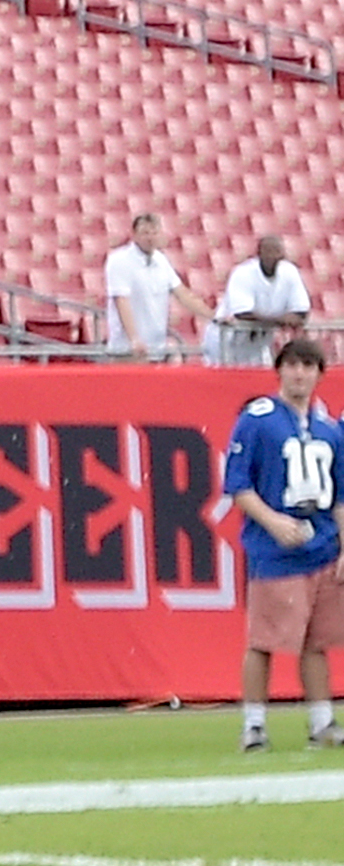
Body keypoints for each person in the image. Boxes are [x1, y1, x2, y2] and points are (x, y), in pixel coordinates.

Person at [220, 335, 344, 753]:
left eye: (309, 367)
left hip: (322, 546)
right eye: (292, 365)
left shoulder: (330, 428)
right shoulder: (258, 418)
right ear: (279, 370)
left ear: (320, 375)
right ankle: (253, 725)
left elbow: (339, 496)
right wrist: (273, 523)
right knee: (264, 640)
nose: (300, 374)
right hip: (275, 551)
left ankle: (322, 722)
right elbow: (237, 484)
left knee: (317, 641)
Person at [104, 213, 214, 363]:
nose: (150, 238)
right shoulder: (119, 260)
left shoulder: (161, 260)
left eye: (154, 233)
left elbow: (182, 294)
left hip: (157, 349)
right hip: (128, 350)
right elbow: (121, 301)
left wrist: (213, 316)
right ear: (135, 235)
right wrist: (134, 338)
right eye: (145, 233)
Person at [212, 235, 313, 370]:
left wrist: (293, 317)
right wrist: (280, 320)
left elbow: (301, 310)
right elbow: (242, 313)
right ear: (259, 253)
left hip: (260, 343)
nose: (273, 256)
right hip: (227, 341)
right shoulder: (243, 273)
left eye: (277, 251)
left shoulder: (290, 272)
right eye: (269, 251)